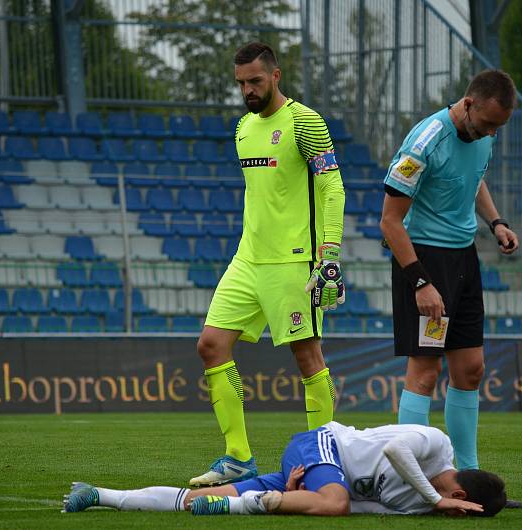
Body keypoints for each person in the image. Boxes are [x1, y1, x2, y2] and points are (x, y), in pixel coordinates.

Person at [189, 42, 346, 488]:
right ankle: (238, 458)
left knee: (307, 357)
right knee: (211, 345)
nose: (247, 90)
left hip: (295, 262)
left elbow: (332, 190)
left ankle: (323, 460)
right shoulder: (242, 129)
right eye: (240, 83)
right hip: (248, 259)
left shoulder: (305, 122)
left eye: (254, 81)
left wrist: (329, 256)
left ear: (276, 75)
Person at [379, 69, 519, 475]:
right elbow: (389, 221)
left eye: (500, 126)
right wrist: (421, 282)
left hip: (464, 258)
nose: (493, 132)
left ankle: (467, 476)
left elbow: (473, 181)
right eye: (489, 123)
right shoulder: (424, 141)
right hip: (425, 260)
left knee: (471, 369)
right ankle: (411, 480)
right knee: (425, 372)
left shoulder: (484, 134)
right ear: (469, 103)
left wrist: (496, 223)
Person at [63, 421, 508, 517]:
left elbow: (365, 510)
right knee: (333, 503)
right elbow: (394, 450)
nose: (452, 517)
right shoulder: (437, 444)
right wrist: (434, 498)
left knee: (193, 502)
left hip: (313, 478)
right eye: (461, 513)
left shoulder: (420, 507)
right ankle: (256, 503)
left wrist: (306, 492)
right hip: (320, 444)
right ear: (461, 497)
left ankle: (98, 494)